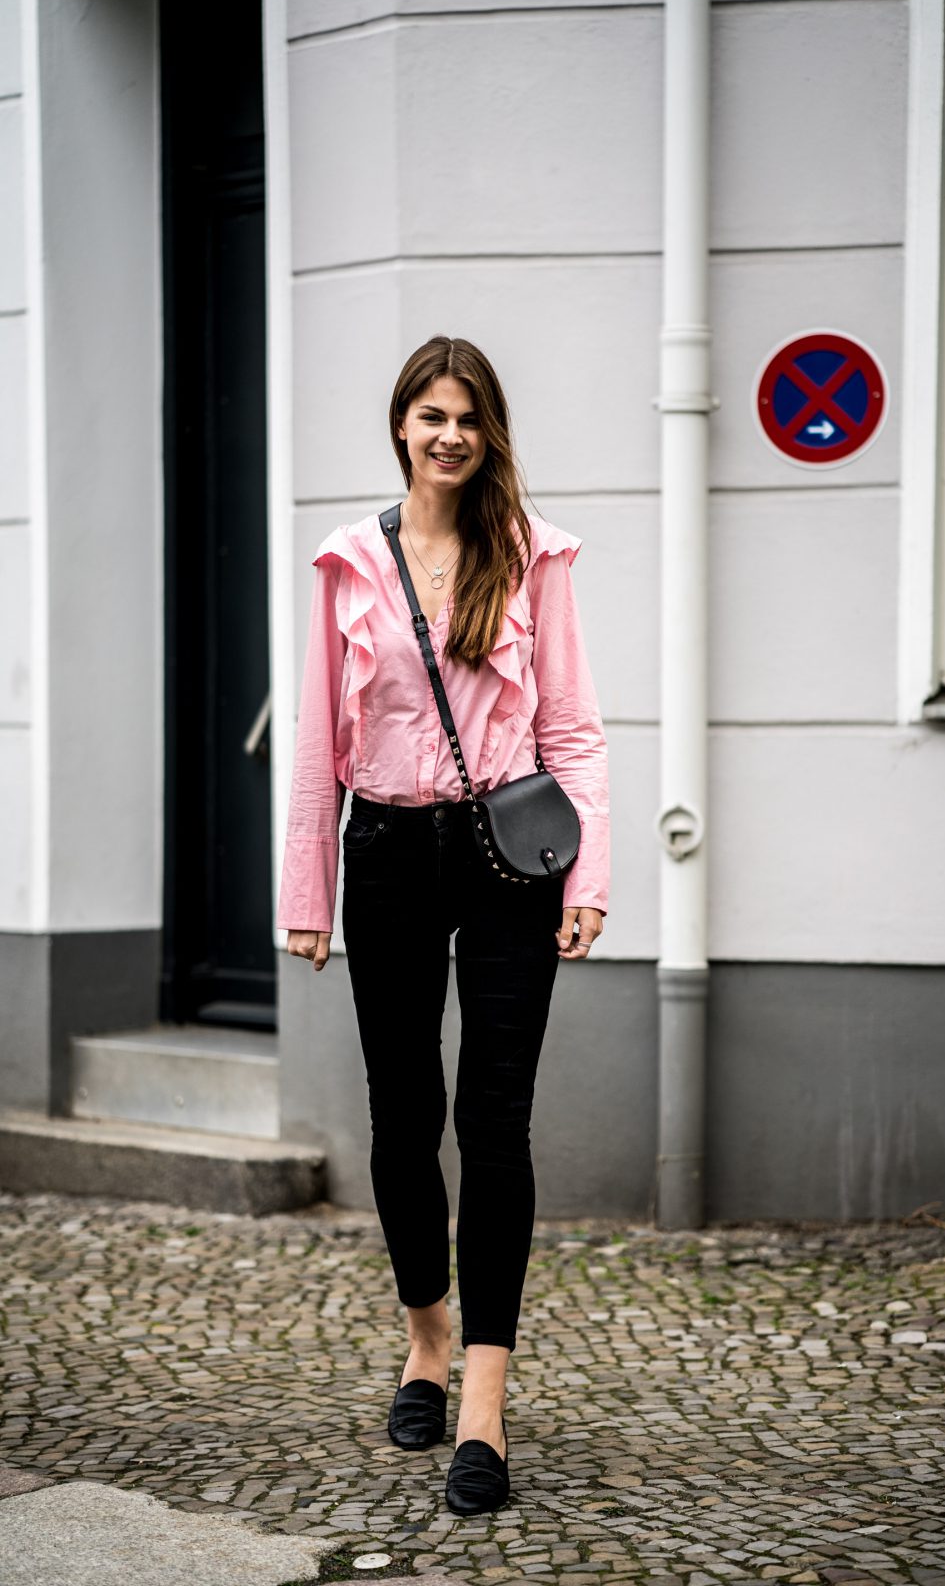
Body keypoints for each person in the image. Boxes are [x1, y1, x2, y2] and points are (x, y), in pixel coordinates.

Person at [276, 334, 610, 1515]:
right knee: (403, 1114)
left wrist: (588, 876)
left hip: (507, 854)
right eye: (429, 414)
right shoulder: (346, 560)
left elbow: (570, 728)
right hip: (385, 855)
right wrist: (306, 891)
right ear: (400, 426)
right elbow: (318, 738)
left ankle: (482, 1406)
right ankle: (423, 1334)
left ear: (488, 429)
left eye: (466, 415)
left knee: (495, 1121)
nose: (448, 433)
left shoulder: (531, 554)